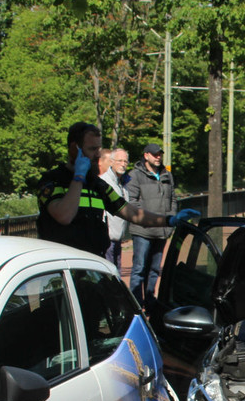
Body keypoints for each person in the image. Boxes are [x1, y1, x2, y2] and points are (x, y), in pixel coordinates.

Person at [35, 124, 195, 259]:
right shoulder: (53, 180)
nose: (97, 155)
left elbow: (132, 213)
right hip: (61, 267)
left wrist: (169, 220)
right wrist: (78, 177)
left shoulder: (97, 185)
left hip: (92, 262)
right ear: (73, 149)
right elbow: (64, 215)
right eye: (92, 149)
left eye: (98, 149)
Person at [126, 142, 178, 305]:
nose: (158, 157)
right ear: (146, 155)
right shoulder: (135, 175)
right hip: (142, 230)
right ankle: (136, 302)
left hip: (162, 230)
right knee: (139, 268)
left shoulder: (166, 175)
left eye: (159, 154)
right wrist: (147, 217)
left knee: (154, 269)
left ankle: (150, 300)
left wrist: (170, 217)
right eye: (154, 154)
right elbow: (132, 202)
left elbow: (173, 198)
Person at [99, 148, 131, 270]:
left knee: (117, 272)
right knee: (110, 273)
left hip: (118, 238)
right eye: (119, 161)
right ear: (111, 162)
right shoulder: (104, 182)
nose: (123, 164)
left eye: (125, 161)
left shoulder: (123, 183)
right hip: (108, 239)